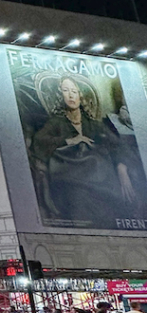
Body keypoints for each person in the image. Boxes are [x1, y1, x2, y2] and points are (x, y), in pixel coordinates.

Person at [31, 76, 141, 226]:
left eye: (74, 91)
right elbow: (39, 142)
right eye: (66, 91)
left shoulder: (94, 125)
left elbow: (118, 146)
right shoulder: (56, 123)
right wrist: (69, 141)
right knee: (79, 201)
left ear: (79, 96)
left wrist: (122, 169)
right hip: (72, 179)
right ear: (60, 95)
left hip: (103, 179)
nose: (70, 95)